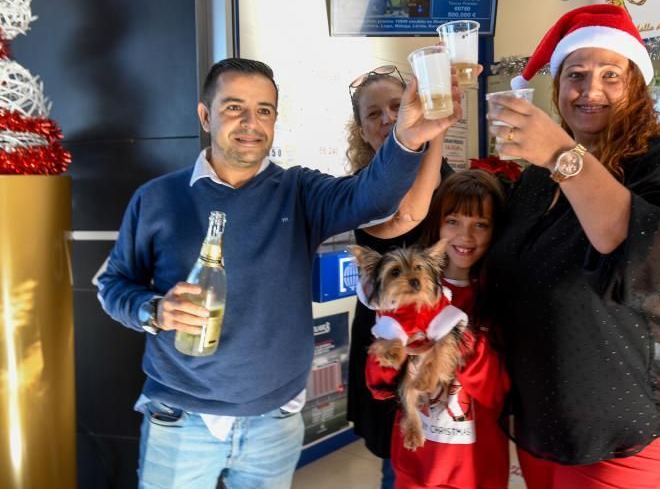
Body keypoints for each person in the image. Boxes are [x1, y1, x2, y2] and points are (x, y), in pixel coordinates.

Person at [95, 57, 461, 488]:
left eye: (264, 110)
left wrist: (410, 137)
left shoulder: (299, 191)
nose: (251, 122)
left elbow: (373, 199)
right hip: (181, 419)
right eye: (234, 108)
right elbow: (111, 286)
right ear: (205, 115)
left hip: (274, 421)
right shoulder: (157, 198)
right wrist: (154, 309)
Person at [485, 4, 660, 488]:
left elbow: (659, 267)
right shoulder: (533, 181)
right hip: (543, 425)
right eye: (576, 74)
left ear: (635, 86)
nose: (590, 89)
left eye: (611, 74)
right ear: (557, 88)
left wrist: (560, 153)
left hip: (631, 428)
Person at [344, 64, 455, 488]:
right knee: (402, 460)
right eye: (374, 114)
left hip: (445, 337)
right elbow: (408, 214)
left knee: (453, 453)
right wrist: (435, 131)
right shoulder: (361, 188)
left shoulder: (455, 180)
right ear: (361, 129)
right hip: (388, 339)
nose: (389, 118)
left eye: (397, 106)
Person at [366, 169, 511, 489]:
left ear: (495, 230)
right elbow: (377, 384)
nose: (466, 236)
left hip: (476, 470)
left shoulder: (501, 296)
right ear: (436, 224)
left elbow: (497, 391)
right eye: (454, 221)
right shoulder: (405, 291)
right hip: (416, 465)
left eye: (481, 225)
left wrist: (460, 341)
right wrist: (396, 354)